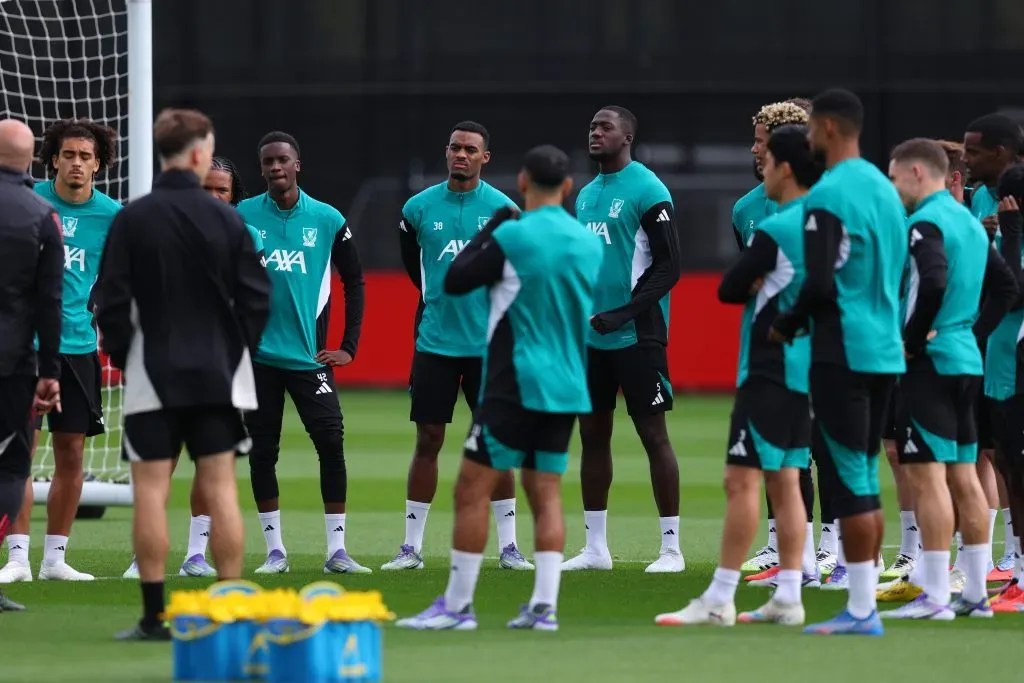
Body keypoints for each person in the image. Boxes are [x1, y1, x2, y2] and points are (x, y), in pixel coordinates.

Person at [396, 145, 602, 631]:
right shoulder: (588, 242)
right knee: (546, 493)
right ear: (568, 187)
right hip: (568, 384)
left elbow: (456, 280)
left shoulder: (513, 236)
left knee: (470, 489)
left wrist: (491, 228)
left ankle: (458, 606)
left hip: (514, 382)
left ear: (524, 182)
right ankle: (544, 607)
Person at [95, 108, 270, 640]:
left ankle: (153, 617)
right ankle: (230, 610)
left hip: (154, 370)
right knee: (219, 488)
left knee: (150, 491)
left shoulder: (134, 217)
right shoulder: (229, 219)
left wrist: (128, 357)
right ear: (198, 154)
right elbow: (257, 301)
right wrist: (235, 351)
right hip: (217, 373)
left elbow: (110, 300)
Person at [657, 124, 824, 628]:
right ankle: (790, 595)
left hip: (770, 368)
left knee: (741, 480)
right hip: (808, 369)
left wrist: (756, 279)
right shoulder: (828, 222)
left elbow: (730, 288)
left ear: (786, 168)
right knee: (787, 481)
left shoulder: (777, 228)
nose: (762, 167)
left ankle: (719, 598)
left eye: (768, 159)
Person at [770, 89, 907, 636]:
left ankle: (860, 610)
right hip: (885, 348)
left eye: (809, 130)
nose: (805, 141)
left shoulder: (827, 194)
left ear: (826, 127)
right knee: (863, 475)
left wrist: (788, 321)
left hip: (842, 348)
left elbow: (819, 278)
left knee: (850, 479)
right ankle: (862, 600)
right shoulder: (885, 186)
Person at [880, 138, 1018, 620]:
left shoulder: (926, 222)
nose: (893, 187)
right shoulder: (967, 220)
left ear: (917, 172)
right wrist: (971, 332)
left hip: (931, 364)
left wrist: (914, 340)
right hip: (964, 361)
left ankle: (936, 596)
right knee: (965, 474)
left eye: (896, 177)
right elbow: (1005, 286)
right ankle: (975, 594)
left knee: (928, 476)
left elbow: (932, 280)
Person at [385, 122, 531, 571]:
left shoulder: (506, 211)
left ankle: (508, 547)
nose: (461, 155)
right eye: (454, 148)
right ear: (446, 153)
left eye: (470, 149)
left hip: (488, 345)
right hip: (435, 342)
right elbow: (417, 267)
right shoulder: (417, 208)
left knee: (496, 442)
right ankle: (410, 547)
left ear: (485, 157)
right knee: (428, 438)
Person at [121, 155, 264, 581]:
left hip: (215, 368)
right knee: (159, 469)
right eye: (206, 188)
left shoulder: (244, 233)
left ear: (234, 197)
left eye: (222, 190)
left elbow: (254, 302)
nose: (215, 196)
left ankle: (196, 554)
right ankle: (145, 559)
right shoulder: (159, 231)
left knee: (213, 472)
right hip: (162, 364)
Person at [238, 131, 368, 575]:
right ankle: (275, 551)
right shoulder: (243, 215)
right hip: (258, 360)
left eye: (283, 160)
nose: (276, 167)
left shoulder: (328, 218)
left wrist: (348, 346)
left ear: (298, 165)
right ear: (261, 169)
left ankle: (337, 551)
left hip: (309, 359)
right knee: (262, 452)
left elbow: (355, 280)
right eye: (268, 161)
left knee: (331, 441)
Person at [563, 106, 683, 573]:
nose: (595, 132)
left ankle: (671, 549)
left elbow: (670, 266)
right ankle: (595, 549)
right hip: (594, 338)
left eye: (605, 127)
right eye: (592, 126)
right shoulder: (587, 195)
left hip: (638, 334)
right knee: (592, 436)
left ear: (627, 136)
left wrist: (623, 313)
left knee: (654, 435)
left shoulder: (649, 189)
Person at [0, 119, 119, 585]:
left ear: (99, 165)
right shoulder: (28, 205)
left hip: (78, 348)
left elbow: (118, 280)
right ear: (51, 159)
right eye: (68, 154)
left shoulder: (113, 216)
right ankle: (17, 558)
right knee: (19, 452)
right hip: (23, 349)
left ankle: (55, 559)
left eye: (86, 157)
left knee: (71, 453)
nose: (76, 163)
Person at [731, 99, 840, 581]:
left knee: (826, 451)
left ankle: (833, 547)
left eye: (762, 141)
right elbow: (749, 283)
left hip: (817, 352)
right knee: (786, 463)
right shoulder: (746, 208)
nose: (755, 150)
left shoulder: (828, 202)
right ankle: (785, 552)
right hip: (773, 353)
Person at [0, 118, 64, 612]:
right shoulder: (43, 217)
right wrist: (50, 372)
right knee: (11, 468)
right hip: (13, 364)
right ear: (34, 160)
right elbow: (49, 302)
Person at [962, 115, 1024, 582]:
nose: (967, 159)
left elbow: (1013, 286)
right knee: (995, 454)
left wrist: (1005, 232)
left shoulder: (1009, 200)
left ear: (1002, 152)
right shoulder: (980, 196)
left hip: (1010, 349)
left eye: (975, 151)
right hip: (992, 350)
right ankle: (1008, 559)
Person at [983, 163, 1024, 612]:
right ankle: (1018, 575)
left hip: (1018, 375)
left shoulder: (1012, 240)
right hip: (1001, 374)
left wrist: (1010, 233)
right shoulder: (1001, 240)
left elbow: (1013, 291)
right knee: (1011, 473)